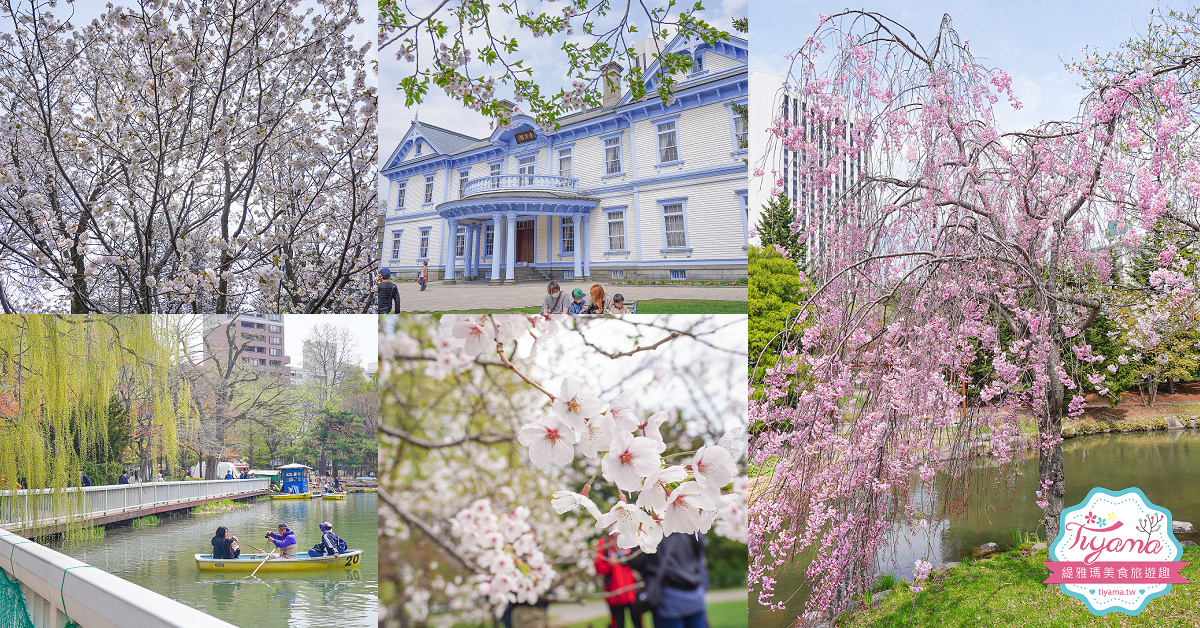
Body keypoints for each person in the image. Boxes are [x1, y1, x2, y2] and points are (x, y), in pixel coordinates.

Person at [627, 533, 708, 628]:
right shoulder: (688, 530)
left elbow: (635, 562)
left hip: (667, 599)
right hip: (695, 596)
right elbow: (699, 552)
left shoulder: (651, 533)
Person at [595, 532, 643, 628]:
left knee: (638, 622)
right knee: (618, 624)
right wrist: (610, 564)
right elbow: (599, 567)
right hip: (614, 593)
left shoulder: (632, 537)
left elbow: (640, 561)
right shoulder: (604, 543)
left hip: (632, 591)